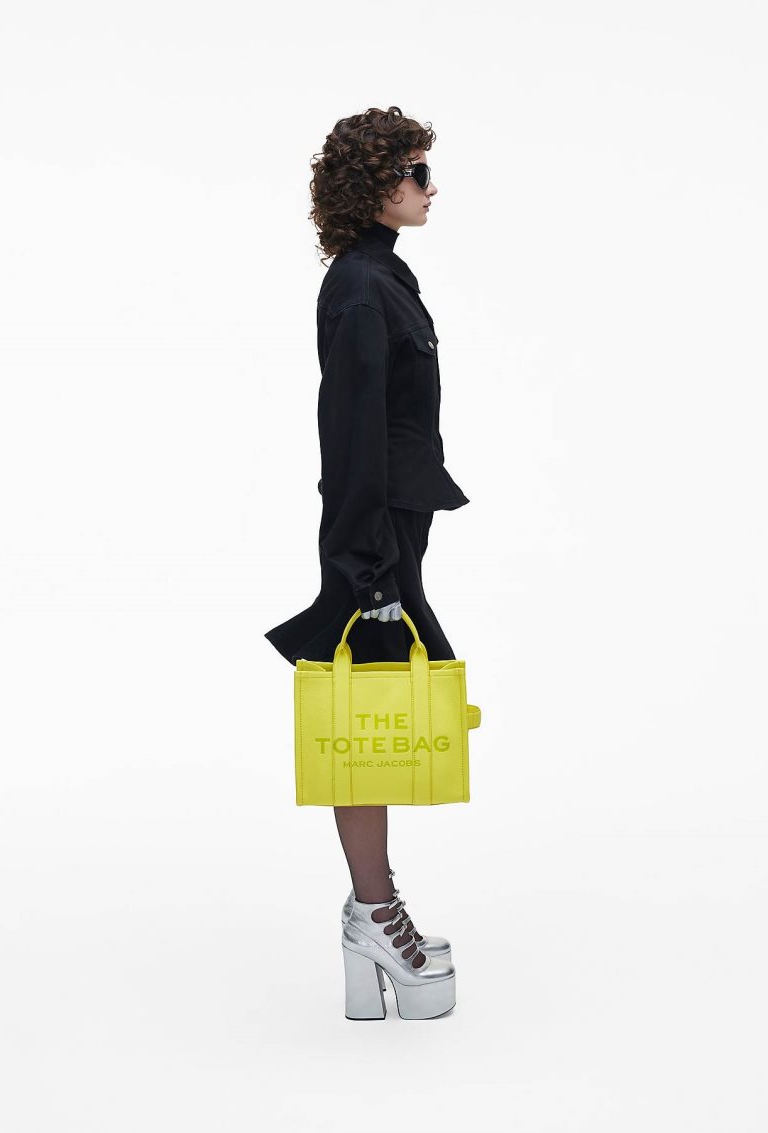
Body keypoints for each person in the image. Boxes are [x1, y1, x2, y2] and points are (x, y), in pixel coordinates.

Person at [263, 106, 470, 1019]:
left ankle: (374, 915)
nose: (431, 187)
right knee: (361, 730)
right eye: (417, 172)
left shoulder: (382, 275)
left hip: (392, 533)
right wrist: (369, 573)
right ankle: (375, 917)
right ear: (374, 184)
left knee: (377, 726)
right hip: (374, 540)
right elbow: (348, 437)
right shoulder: (358, 287)